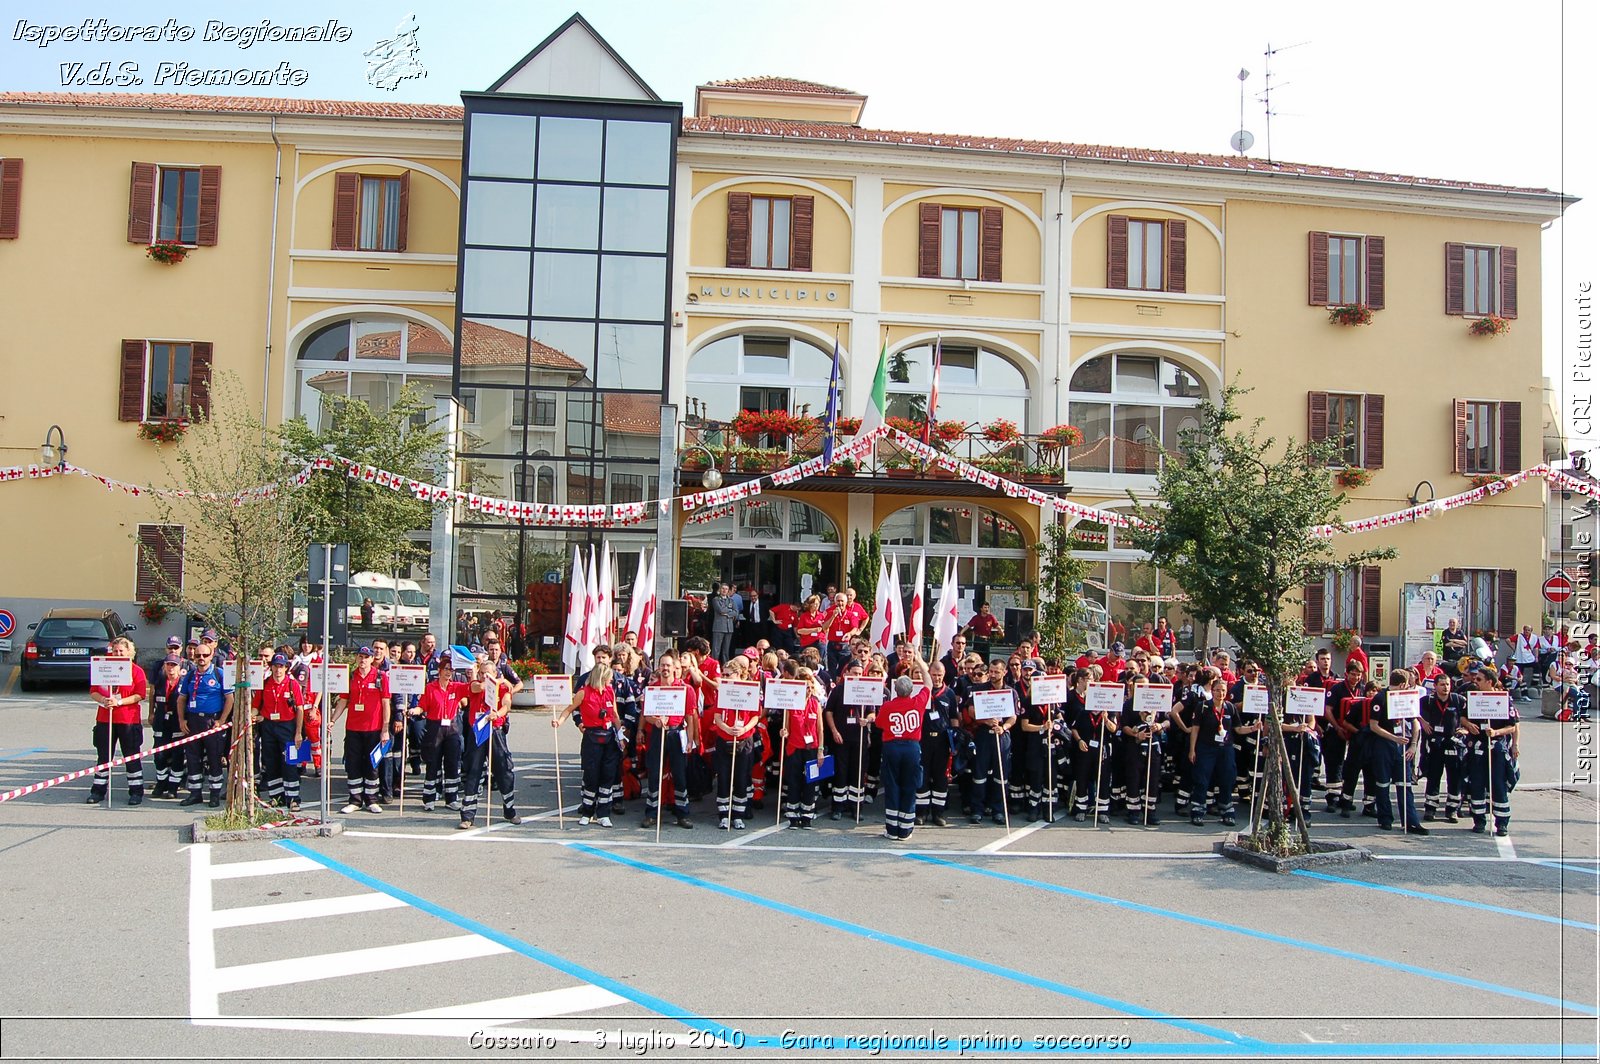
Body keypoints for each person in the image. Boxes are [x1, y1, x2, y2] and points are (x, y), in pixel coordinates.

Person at [555, 662, 624, 826]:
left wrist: (620, 736)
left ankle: (604, 813)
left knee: (607, 776)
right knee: (591, 776)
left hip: (609, 737)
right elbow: (569, 709)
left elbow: (614, 715)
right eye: (609, 678)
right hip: (592, 737)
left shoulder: (610, 692)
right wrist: (559, 721)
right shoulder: (583, 693)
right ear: (601, 677)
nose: (611, 681)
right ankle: (587, 811)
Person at [458, 654, 522, 829]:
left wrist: (498, 714)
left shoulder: (503, 690)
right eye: (483, 673)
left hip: (495, 730)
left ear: (495, 672)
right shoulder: (474, 685)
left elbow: (506, 705)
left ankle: (510, 810)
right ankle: (467, 816)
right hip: (477, 732)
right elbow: (479, 687)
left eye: (489, 673)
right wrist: (499, 680)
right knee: (473, 771)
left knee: (504, 770)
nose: (485, 676)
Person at [874, 645, 931, 841]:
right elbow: (929, 684)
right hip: (912, 747)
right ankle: (906, 829)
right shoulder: (918, 702)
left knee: (892, 785)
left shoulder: (888, 706)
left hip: (892, 746)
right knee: (909, 785)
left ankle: (892, 828)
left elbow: (880, 724)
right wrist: (921, 663)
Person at [638, 651, 698, 829]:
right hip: (658, 733)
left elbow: (690, 716)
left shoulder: (686, 689)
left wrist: (690, 740)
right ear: (659, 667)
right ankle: (651, 813)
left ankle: (683, 814)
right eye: (662, 665)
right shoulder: (652, 689)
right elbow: (646, 714)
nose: (665, 668)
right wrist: (654, 721)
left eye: (668, 665)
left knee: (679, 774)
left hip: (677, 732)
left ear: (674, 668)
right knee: (655, 773)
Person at [89, 636, 148, 806]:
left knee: (131, 757)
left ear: (130, 653)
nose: (118, 653)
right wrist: (103, 700)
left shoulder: (136, 671)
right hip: (105, 718)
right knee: (103, 757)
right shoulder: (103, 668)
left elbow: (140, 695)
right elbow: (93, 691)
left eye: (122, 651)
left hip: (128, 719)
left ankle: (136, 792)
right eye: (115, 651)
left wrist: (119, 702)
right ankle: (98, 791)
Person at [1369, 669, 1428, 833]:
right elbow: (1373, 725)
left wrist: (1414, 744)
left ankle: (1411, 821)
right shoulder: (1380, 698)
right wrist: (1393, 738)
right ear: (1402, 684)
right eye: (1407, 685)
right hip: (1384, 744)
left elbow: (1415, 721)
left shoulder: (1407, 698)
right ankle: (1385, 818)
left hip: (1402, 745)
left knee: (1405, 784)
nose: (1408, 688)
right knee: (1383, 783)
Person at [177, 640, 233, 808]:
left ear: (211, 656)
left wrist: (221, 720)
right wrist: (181, 720)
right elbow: (181, 699)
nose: (201, 658)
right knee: (193, 758)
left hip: (212, 721)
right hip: (193, 721)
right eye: (198, 655)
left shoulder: (219, 673)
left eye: (205, 655)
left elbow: (230, 699)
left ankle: (214, 794)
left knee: (214, 758)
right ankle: (195, 794)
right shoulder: (190, 675)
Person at [337, 647, 390, 814]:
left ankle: (371, 799)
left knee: (371, 765)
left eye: (366, 657)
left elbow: (386, 704)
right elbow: (343, 701)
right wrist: (332, 720)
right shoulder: (351, 676)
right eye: (360, 657)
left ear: (372, 659)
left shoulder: (380, 677)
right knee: (353, 764)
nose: (363, 660)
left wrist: (385, 728)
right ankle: (355, 800)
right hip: (353, 728)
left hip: (373, 728)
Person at [1463, 681, 1519, 837]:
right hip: (1477, 747)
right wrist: (1468, 724)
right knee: (1477, 784)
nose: (1476, 682)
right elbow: (1462, 717)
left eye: (1480, 679)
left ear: (1489, 681)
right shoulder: (1473, 698)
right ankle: (1479, 821)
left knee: (1498, 785)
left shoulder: (1504, 699)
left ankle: (1502, 823)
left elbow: (1512, 726)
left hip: (1496, 748)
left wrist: (1495, 732)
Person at [965, 659, 1017, 825]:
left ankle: (999, 810)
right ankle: (977, 810)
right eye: (991, 671)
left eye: (996, 672)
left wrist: (1004, 728)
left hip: (1002, 736)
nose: (993, 675)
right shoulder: (979, 690)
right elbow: (971, 710)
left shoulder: (1011, 692)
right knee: (979, 774)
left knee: (1000, 775)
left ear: (1004, 672)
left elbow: (1013, 716)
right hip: (983, 735)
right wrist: (986, 720)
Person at [254, 654, 306, 811]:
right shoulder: (264, 684)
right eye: (275, 666)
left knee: (289, 763)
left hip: (287, 727)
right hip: (268, 727)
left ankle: (293, 799)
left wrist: (298, 732)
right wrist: (252, 714)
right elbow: (256, 705)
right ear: (271, 667)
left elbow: (300, 708)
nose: (278, 669)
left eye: (281, 666)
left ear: (286, 668)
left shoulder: (292, 684)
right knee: (271, 763)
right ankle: (276, 798)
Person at [1187, 676, 1239, 827]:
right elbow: (1195, 730)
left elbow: (1238, 728)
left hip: (1226, 749)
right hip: (1206, 748)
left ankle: (1227, 811)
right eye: (1217, 690)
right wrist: (1192, 750)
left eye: (1223, 690)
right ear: (1212, 690)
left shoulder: (1230, 707)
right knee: (1202, 779)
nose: (1220, 693)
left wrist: (1253, 728)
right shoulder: (1203, 706)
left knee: (1226, 779)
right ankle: (1197, 811)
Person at [780, 666, 826, 828]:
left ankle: (807, 815)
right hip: (794, 748)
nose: (808, 690)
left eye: (810, 687)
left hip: (811, 749)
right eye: (805, 687)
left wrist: (820, 750)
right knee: (793, 781)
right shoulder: (790, 703)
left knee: (810, 782)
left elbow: (820, 729)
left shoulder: (815, 703)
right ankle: (793, 815)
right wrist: (783, 732)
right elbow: (786, 728)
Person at [417, 664, 466, 812]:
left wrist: (475, 669)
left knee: (452, 763)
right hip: (435, 727)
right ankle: (429, 798)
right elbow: (422, 706)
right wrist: (414, 710)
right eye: (446, 669)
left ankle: (451, 798)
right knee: (433, 763)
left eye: (451, 670)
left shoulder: (456, 687)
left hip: (452, 727)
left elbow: (473, 688)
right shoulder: (430, 687)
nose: (448, 672)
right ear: (439, 671)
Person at [1070, 676, 1118, 824]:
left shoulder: (1109, 712)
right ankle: (1081, 808)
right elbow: (1074, 729)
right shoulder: (1084, 712)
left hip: (1102, 748)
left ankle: (1103, 810)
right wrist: (1079, 740)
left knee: (1103, 779)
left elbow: (1114, 729)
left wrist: (1106, 719)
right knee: (1082, 778)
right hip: (1085, 749)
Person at [1120, 676, 1167, 825]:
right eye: (1138, 686)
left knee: (1152, 779)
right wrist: (1135, 734)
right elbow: (1124, 726)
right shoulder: (1129, 704)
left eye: (1144, 686)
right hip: (1134, 747)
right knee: (1134, 778)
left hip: (1153, 746)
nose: (1141, 689)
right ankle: (1133, 811)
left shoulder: (1156, 701)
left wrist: (1160, 726)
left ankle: (1150, 811)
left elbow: (1167, 719)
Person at [916, 662, 958, 827]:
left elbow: (954, 717)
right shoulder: (922, 692)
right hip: (923, 740)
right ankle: (921, 812)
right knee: (923, 777)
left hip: (942, 741)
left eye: (940, 675)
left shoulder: (949, 694)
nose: (937, 678)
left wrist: (955, 738)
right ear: (929, 674)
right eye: (934, 675)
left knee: (941, 777)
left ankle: (938, 813)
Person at [147, 652, 187, 800]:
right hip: (161, 722)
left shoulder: (184, 682)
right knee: (159, 755)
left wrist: (184, 721)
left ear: (179, 667)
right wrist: (151, 713)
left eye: (174, 665)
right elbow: (152, 698)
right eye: (168, 664)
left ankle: (173, 787)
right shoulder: (159, 682)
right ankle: (161, 783)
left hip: (177, 722)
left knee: (177, 756)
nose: (170, 668)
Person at [709, 583, 738, 663]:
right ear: (720, 589)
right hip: (719, 627)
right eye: (723, 588)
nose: (724, 590)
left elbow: (736, 612)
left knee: (726, 650)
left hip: (729, 628)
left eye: (726, 589)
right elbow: (720, 610)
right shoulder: (716, 599)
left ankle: (726, 666)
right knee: (716, 649)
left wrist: (727, 613)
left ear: (728, 590)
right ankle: (714, 665)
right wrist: (730, 611)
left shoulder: (731, 600)